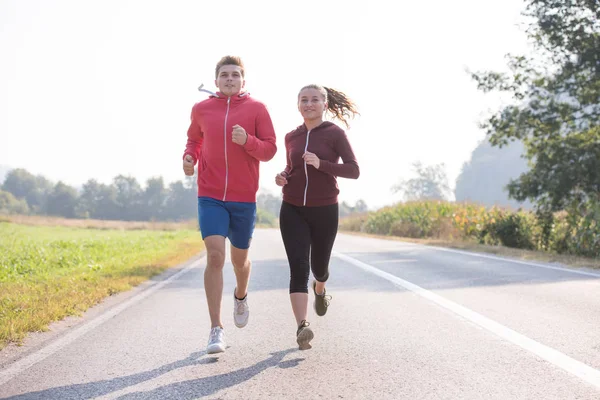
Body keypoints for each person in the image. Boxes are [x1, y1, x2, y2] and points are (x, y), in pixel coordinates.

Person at [183, 55, 277, 354]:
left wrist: (248, 140)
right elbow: (193, 141)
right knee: (214, 256)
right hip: (209, 195)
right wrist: (189, 159)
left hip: (243, 198)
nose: (229, 79)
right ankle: (215, 329)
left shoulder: (257, 109)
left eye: (235, 75)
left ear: (243, 81)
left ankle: (240, 294)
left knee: (239, 261)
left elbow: (270, 149)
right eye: (224, 75)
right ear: (216, 81)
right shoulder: (201, 109)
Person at [275, 84, 359, 350]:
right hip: (292, 208)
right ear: (298, 105)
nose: (308, 104)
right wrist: (283, 176)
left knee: (319, 267)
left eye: (314, 100)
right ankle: (302, 327)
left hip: (324, 209)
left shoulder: (335, 134)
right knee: (298, 267)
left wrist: (321, 164)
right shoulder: (291, 137)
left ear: (324, 104)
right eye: (303, 100)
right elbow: (291, 167)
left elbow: (353, 170)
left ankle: (320, 288)